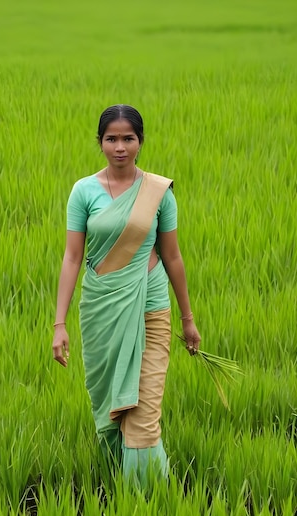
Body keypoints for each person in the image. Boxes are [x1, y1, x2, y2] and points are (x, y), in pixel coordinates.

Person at [52, 104, 201, 488]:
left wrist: (188, 320)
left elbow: (172, 256)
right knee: (111, 407)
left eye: (128, 138)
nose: (120, 146)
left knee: (143, 413)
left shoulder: (158, 192)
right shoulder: (83, 191)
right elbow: (72, 258)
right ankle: (122, 486)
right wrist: (59, 323)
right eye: (111, 138)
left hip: (151, 308)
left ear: (140, 142)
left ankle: (152, 501)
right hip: (101, 311)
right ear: (100, 142)